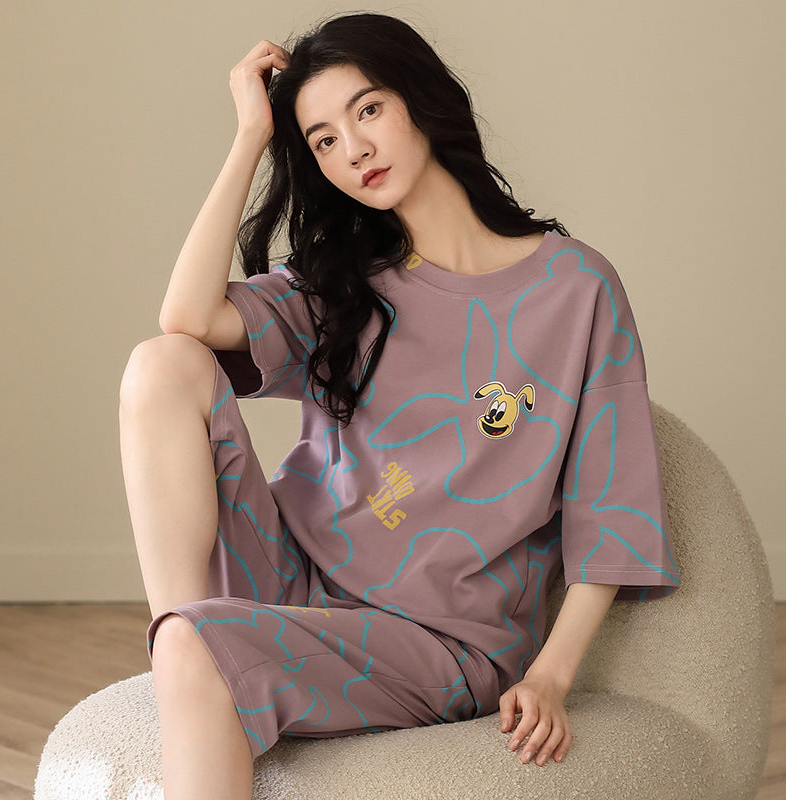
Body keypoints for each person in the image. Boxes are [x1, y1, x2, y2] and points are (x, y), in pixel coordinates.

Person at [119, 11, 680, 800]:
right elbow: (186, 319)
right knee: (162, 365)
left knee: (196, 644)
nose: (353, 149)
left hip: (437, 642)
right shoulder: (346, 283)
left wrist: (550, 677)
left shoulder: (578, 290)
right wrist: (250, 137)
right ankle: (187, 661)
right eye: (322, 140)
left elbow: (610, 512)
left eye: (369, 110)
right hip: (290, 581)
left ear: (421, 99)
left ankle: (199, 662)